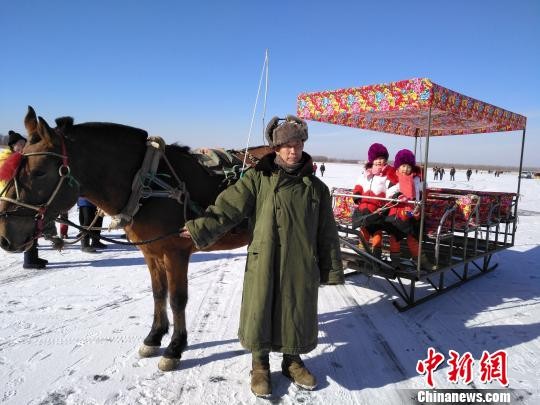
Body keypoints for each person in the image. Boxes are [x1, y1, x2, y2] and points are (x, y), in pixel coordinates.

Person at [180, 115, 344, 398]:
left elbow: (327, 233)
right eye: (287, 145)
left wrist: (330, 269)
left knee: (295, 311)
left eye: (298, 144)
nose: (293, 150)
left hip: (300, 263)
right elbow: (228, 209)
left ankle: (292, 362)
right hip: (264, 258)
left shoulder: (317, 189)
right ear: (276, 148)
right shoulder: (258, 179)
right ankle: (260, 365)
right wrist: (199, 229)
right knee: (261, 310)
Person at [1, 131, 50, 269]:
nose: (22, 146)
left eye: (23, 143)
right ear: (12, 147)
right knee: (25, 227)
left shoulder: (22, 158)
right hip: (12, 201)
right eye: (18, 144)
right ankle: (29, 260)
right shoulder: (9, 160)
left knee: (33, 227)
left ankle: (33, 257)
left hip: (22, 199)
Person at [385, 149, 435, 271]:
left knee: (413, 239)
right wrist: (398, 196)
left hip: (412, 213)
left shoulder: (416, 180)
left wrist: (423, 180)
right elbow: (389, 194)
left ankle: (422, 262)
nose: (406, 169)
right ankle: (395, 261)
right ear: (398, 166)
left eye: (408, 166)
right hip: (396, 214)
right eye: (403, 166)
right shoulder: (393, 179)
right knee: (395, 238)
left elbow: (421, 192)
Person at [352, 143, 396, 259]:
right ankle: (362, 253)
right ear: (372, 160)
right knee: (364, 230)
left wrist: (392, 198)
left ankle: (376, 252)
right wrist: (357, 194)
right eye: (377, 159)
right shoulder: (366, 173)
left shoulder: (387, 174)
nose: (379, 161)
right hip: (363, 208)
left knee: (377, 231)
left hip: (377, 209)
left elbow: (392, 188)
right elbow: (359, 184)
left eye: (382, 158)